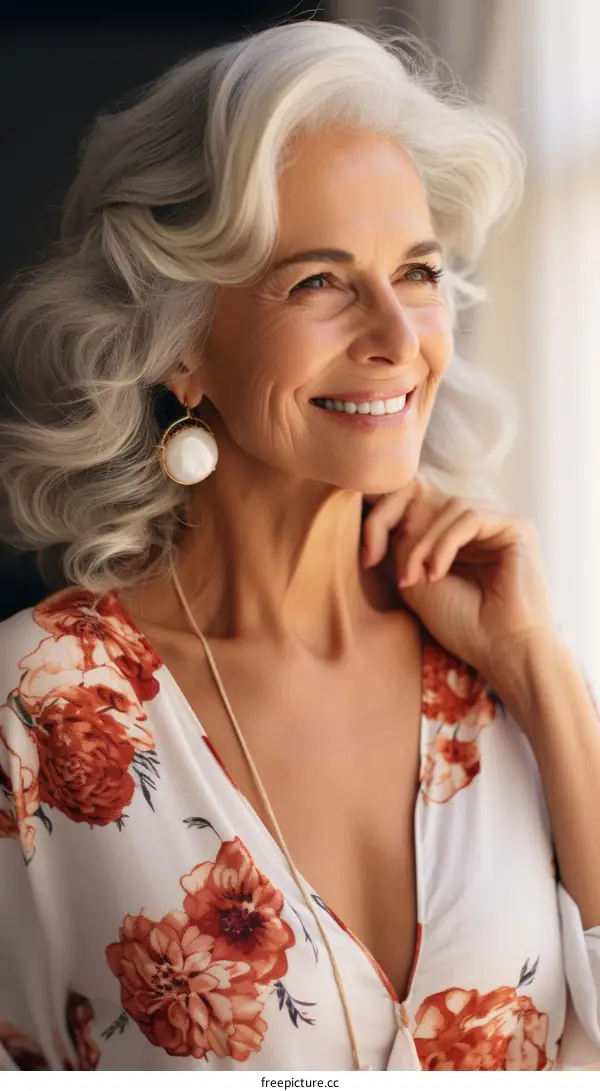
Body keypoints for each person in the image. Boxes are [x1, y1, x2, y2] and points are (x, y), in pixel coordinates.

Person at [0, 18, 599, 1074]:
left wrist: (542, 670)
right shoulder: (32, 711)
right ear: (182, 339)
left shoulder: (509, 679)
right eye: (321, 280)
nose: (399, 337)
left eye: (417, 271)